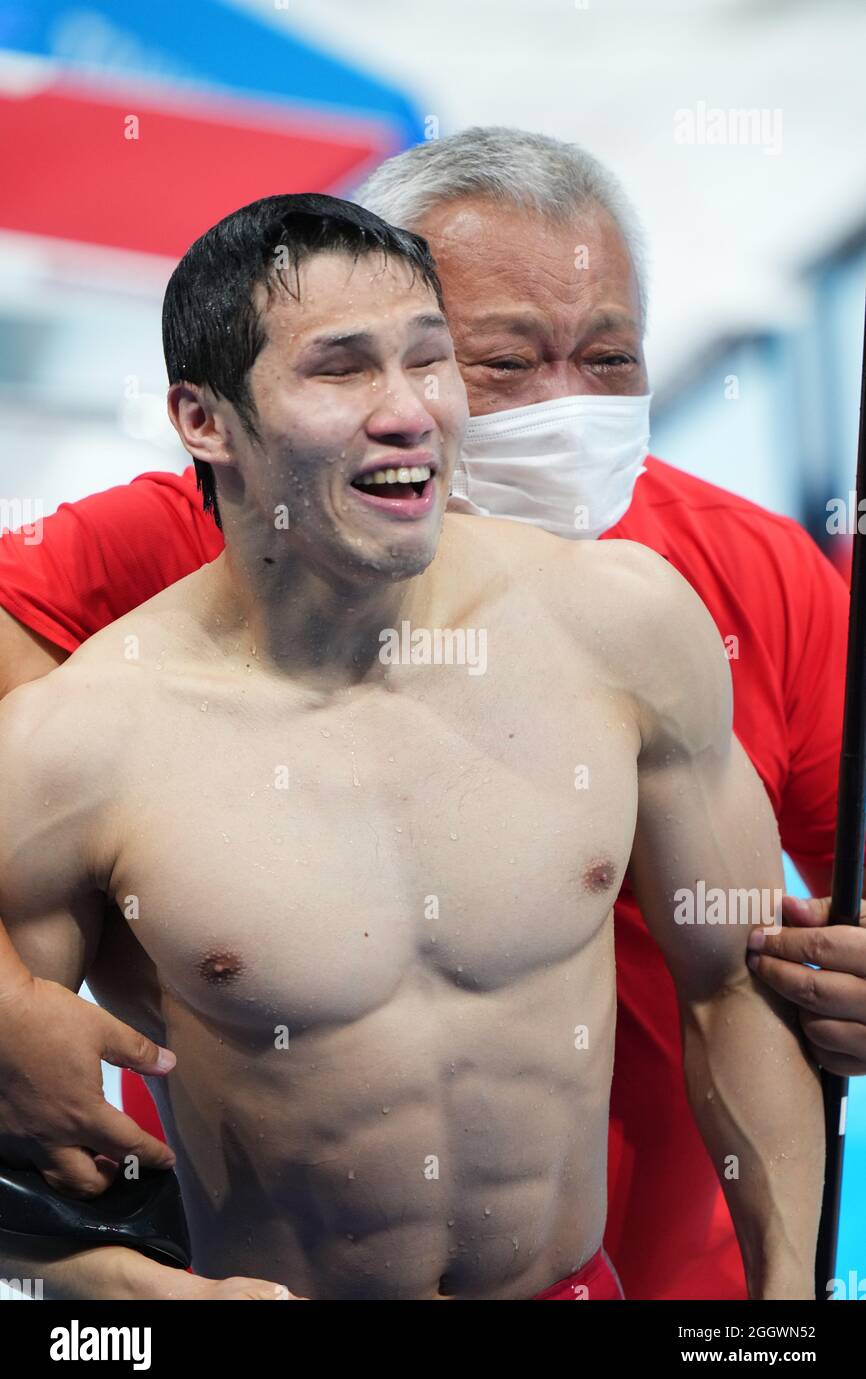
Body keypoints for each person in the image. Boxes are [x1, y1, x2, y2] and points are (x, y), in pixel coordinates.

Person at [0, 129, 861, 1300]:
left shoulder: (652, 610)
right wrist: (128, 1295)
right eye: (502, 361)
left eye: (431, 362)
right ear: (207, 424)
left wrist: (785, 1308)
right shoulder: (97, 678)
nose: (408, 412)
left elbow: (735, 982)